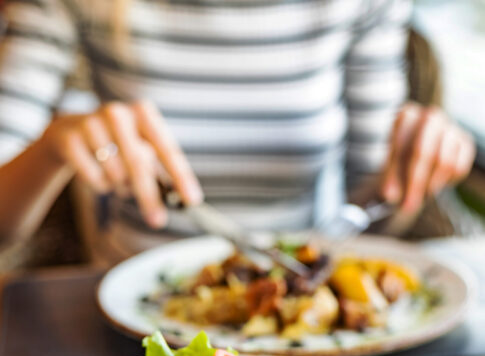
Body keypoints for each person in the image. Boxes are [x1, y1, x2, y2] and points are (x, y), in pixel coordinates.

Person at [0, 0, 476, 263]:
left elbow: (372, 217)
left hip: (312, 331)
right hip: (131, 332)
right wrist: (52, 146)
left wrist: (415, 168)